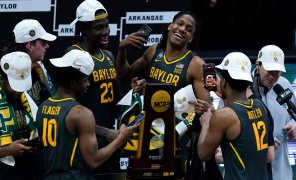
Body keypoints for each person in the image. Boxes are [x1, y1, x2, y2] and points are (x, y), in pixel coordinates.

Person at [116, 10, 212, 175]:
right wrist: (122, 49)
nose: (182, 29)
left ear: (191, 38)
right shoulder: (154, 52)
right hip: (147, 136)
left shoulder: (195, 64)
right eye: (179, 24)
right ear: (170, 26)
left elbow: (206, 109)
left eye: (189, 29)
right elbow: (125, 76)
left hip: (175, 142)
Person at [35, 49, 138, 179]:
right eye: (85, 80)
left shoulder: (43, 107)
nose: (88, 84)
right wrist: (121, 138)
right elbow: (93, 161)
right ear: (72, 83)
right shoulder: (81, 113)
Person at [67, 0, 141, 173]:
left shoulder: (108, 55)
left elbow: (114, 101)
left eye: (106, 26)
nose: (106, 31)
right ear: (83, 29)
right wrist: (105, 132)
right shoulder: (74, 56)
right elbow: (67, 111)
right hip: (85, 145)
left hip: (110, 145)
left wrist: (133, 91)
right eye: (98, 28)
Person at [197, 52, 275, 180]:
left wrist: (206, 123)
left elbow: (203, 154)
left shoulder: (224, 116)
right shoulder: (260, 106)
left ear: (224, 82)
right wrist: (223, 94)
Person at [0, 52, 39, 179]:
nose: (19, 90)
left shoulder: (29, 103)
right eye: (14, 85)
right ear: (3, 78)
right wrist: (7, 150)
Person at [250, 45, 296, 180]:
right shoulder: (239, 87)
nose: (273, 77)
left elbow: (294, 117)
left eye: (277, 72)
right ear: (257, 64)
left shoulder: (284, 85)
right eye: (269, 71)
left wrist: (293, 127)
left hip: (280, 171)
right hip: (249, 171)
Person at [2, 19, 57, 105]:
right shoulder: (11, 78)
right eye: (43, 42)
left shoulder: (39, 70)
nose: (47, 45)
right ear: (30, 46)